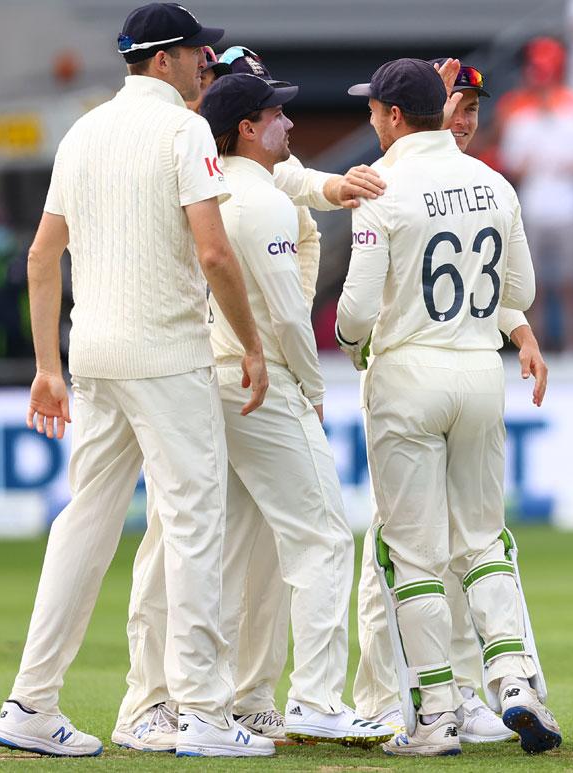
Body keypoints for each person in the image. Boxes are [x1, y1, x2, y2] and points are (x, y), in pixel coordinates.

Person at [0, 2, 273, 758]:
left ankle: (31, 700)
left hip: (93, 359)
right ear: (164, 60)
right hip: (168, 355)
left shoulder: (84, 130)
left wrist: (48, 366)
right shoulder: (182, 129)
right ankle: (206, 714)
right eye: (198, 57)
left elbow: (42, 256)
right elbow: (214, 254)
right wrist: (250, 344)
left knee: (84, 523)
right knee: (192, 526)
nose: (206, 69)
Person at [113, 45, 387, 750]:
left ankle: (221, 698)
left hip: (208, 383)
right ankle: (316, 698)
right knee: (323, 538)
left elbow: (303, 179)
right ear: (243, 128)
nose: (289, 122)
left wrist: (335, 187)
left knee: (225, 550)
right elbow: (289, 317)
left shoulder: (206, 191)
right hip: (261, 384)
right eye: (275, 113)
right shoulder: (258, 199)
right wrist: (314, 388)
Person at [338, 58, 554, 756]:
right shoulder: (492, 180)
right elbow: (517, 284)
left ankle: (435, 714)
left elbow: (356, 309)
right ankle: (513, 678)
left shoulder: (383, 186)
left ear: (395, 115)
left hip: (407, 373)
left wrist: (351, 341)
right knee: (484, 538)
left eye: (374, 108)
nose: (371, 117)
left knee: (411, 552)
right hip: (477, 372)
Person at [497, 37, 573, 351]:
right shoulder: (519, 117)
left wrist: (557, 164)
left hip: (567, 207)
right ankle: (535, 347)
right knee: (533, 286)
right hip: (533, 208)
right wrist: (537, 164)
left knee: (571, 284)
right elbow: (512, 166)